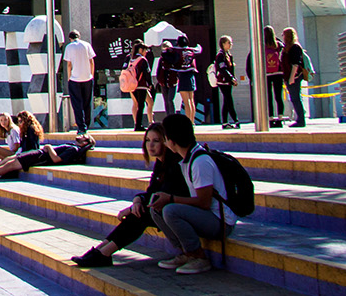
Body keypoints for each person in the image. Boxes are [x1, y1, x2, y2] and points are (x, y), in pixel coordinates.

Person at [71, 122, 185, 267]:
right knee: (138, 211)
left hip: (178, 210)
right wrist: (137, 200)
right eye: (148, 141)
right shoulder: (161, 163)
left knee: (139, 214)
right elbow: (151, 192)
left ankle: (103, 253)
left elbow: (162, 195)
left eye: (156, 141)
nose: (151, 145)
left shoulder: (174, 164)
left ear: (166, 142)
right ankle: (100, 251)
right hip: (164, 209)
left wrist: (134, 206)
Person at [149, 113, 238, 274]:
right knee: (157, 209)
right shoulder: (185, 159)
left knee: (170, 210)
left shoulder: (199, 162)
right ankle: (185, 252)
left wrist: (170, 199)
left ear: (172, 141)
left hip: (220, 221)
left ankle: (199, 257)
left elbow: (204, 202)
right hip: (206, 215)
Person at [0, 133, 96, 179]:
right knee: (8, 162)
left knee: (9, 165)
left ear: (85, 143)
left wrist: (49, 147)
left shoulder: (73, 149)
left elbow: (56, 159)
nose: (80, 136)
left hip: (39, 157)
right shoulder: (72, 146)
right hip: (38, 154)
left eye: (83, 137)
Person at [63, 29, 97, 134]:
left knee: (77, 103)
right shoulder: (86, 45)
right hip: (87, 77)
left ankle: (81, 127)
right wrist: (91, 75)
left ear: (70, 38)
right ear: (79, 36)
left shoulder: (69, 47)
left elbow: (68, 64)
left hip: (75, 78)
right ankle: (87, 123)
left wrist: (69, 78)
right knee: (87, 102)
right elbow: (92, 61)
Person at [281, 27, 310, 128]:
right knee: (294, 98)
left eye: (284, 35)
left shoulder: (295, 47)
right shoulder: (286, 48)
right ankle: (299, 119)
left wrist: (292, 78)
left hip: (295, 76)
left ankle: (301, 120)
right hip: (288, 76)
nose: (283, 37)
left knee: (296, 98)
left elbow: (295, 64)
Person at [123, 43, 153, 131]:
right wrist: (150, 83)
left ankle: (137, 123)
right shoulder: (142, 60)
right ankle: (138, 125)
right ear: (140, 50)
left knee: (137, 104)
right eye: (145, 50)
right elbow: (147, 72)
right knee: (141, 105)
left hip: (132, 86)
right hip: (141, 85)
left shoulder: (131, 59)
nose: (146, 52)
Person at [173, 35, 202, 122]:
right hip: (191, 75)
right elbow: (199, 49)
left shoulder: (178, 51)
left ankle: (188, 121)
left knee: (186, 101)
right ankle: (192, 121)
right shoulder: (191, 51)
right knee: (191, 100)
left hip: (183, 76)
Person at [213, 36, 239, 129]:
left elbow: (231, 69)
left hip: (228, 82)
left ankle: (225, 122)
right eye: (229, 43)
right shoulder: (220, 55)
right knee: (229, 100)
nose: (230, 45)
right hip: (223, 81)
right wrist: (231, 78)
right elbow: (222, 68)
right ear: (223, 44)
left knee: (226, 101)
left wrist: (233, 79)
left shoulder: (228, 55)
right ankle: (236, 120)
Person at [263, 25, 286, 123]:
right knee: (278, 96)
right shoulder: (279, 45)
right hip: (278, 73)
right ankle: (280, 116)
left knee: (268, 96)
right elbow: (284, 59)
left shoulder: (261, 45)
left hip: (267, 73)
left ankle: (270, 116)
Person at [155, 40, 180, 118]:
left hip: (172, 80)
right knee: (166, 100)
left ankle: (173, 116)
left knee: (170, 99)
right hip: (163, 81)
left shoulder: (175, 56)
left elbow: (176, 65)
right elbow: (158, 70)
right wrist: (159, 80)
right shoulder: (162, 58)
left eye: (168, 48)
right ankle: (168, 116)